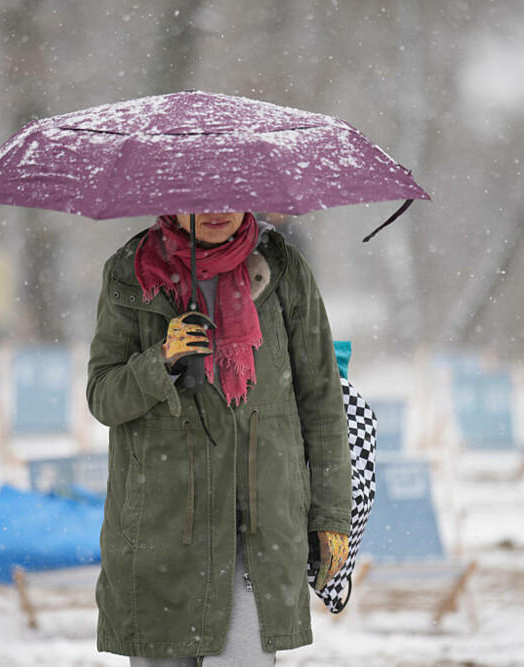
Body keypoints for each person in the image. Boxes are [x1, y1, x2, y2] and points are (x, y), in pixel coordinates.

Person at [86, 211, 351, 665]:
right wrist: (162, 359)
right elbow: (103, 397)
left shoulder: (283, 268)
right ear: (174, 197)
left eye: (231, 195)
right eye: (202, 197)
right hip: (161, 529)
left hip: (258, 527)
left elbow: (322, 400)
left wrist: (331, 514)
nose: (218, 210)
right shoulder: (131, 270)